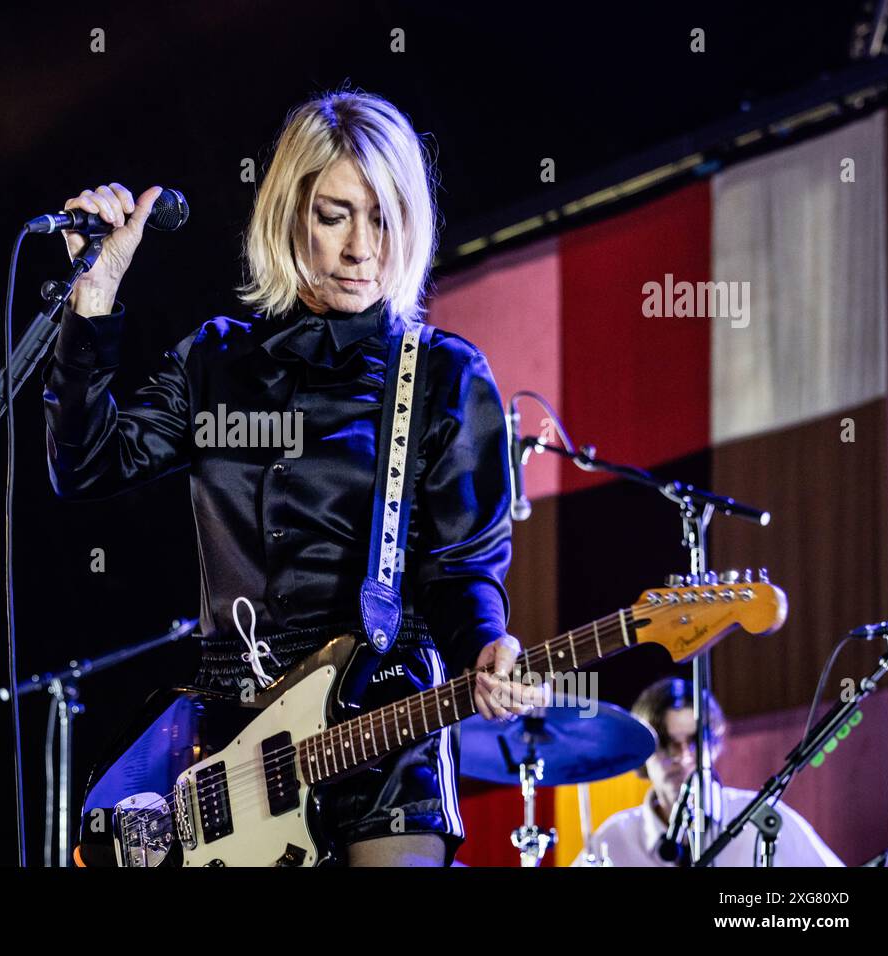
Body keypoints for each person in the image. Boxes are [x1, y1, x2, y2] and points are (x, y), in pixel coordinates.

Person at [42, 89, 543, 867]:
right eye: (337, 214)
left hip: (382, 732)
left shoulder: (442, 375)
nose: (362, 248)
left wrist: (486, 645)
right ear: (288, 213)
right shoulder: (214, 362)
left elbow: (462, 568)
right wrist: (96, 297)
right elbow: (86, 463)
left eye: (385, 217)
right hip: (229, 746)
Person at [575, 677, 843, 867]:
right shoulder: (613, 839)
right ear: (643, 754)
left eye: (693, 742)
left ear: (714, 745)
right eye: (666, 744)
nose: (682, 757)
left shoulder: (761, 817)